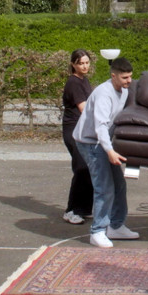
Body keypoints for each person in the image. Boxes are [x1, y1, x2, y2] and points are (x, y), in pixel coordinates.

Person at [73, 56, 139, 248]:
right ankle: (97, 231)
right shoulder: (104, 93)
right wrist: (109, 150)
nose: (129, 81)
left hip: (103, 142)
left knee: (119, 184)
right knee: (104, 187)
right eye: (125, 77)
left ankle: (115, 226)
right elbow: (100, 126)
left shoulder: (124, 91)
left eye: (130, 77)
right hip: (90, 142)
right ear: (113, 76)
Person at [60, 49, 95, 225]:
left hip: (83, 129)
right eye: (81, 63)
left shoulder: (84, 80)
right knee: (81, 167)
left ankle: (85, 208)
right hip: (73, 130)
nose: (85, 66)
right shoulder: (73, 83)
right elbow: (84, 109)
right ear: (73, 64)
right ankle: (71, 210)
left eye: (87, 63)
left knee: (89, 167)